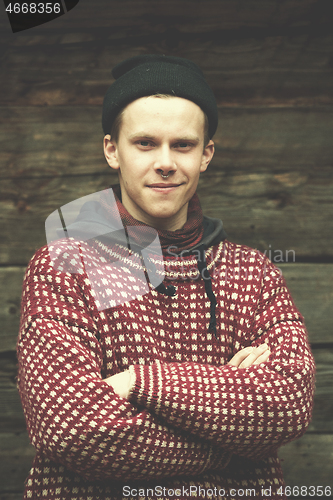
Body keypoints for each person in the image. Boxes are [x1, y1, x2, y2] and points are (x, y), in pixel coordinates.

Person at [17, 55, 315, 500]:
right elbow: (71, 428)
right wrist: (233, 448)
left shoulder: (253, 273)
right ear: (111, 150)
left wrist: (140, 381)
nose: (165, 162)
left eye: (182, 145)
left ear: (206, 154)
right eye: (144, 143)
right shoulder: (64, 266)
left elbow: (289, 400)